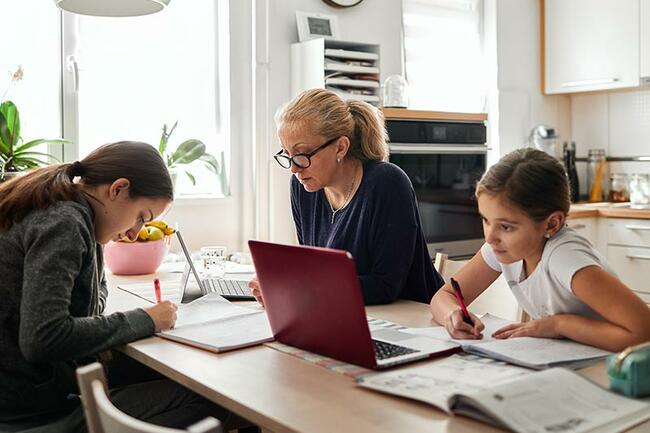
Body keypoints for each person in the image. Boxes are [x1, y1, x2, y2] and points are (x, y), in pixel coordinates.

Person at [0, 141, 231, 432]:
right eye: (141, 217)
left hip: (26, 394)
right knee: (208, 402)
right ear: (118, 189)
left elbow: (89, 307)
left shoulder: (68, 212)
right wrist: (145, 319)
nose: (135, 234)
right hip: (27, 414)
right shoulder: (64, 223)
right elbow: (42, 338)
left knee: (157, 374)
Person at [430, 147, 650, 352]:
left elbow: (644, 333)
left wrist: (559, 324)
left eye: (506, 226)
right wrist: (453, 314)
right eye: (486, 220)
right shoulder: (504, 247)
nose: (490, 237)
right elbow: (444, 295)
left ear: (552, 224)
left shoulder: (565, 258)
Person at [250, 89, 444, 305]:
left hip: (414, 320)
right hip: (346, 312)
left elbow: (386, 286)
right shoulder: (303, 186)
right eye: (287, 155)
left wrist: (300, 288)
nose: (294, 169)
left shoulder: (388, 183)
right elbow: (315, 270)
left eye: (302, 155)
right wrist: (281, 284)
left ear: (340, 147)